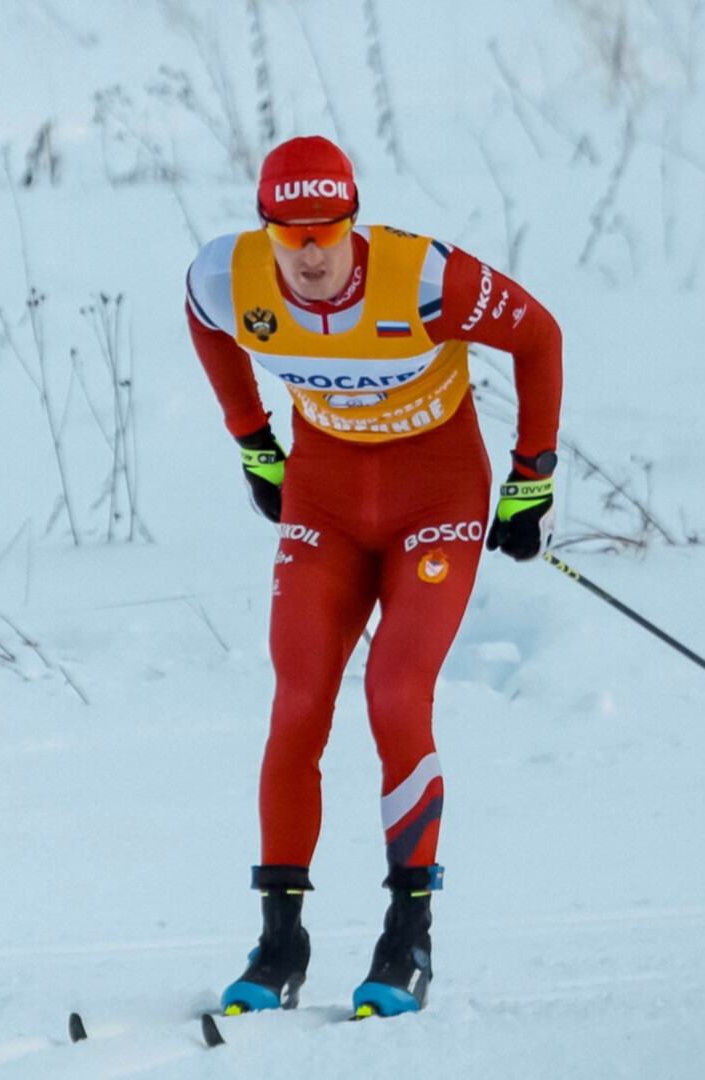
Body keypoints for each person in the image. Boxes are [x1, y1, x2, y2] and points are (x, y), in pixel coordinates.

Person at [183, 135, 564, 1018]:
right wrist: (254, 444)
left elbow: (539, 336)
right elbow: (204, 325)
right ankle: (281, 942)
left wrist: (531, 476)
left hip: (437, 500)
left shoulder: (425, 278)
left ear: (353, 221)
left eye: (328, 230)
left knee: (396, 692)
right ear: (266, 228)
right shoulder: (225, 277)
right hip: (324, 504)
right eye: (290, 234)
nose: (310, 254)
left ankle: (408, 934)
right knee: (299, 699)